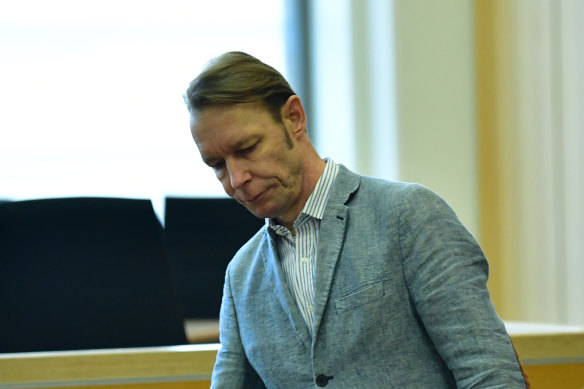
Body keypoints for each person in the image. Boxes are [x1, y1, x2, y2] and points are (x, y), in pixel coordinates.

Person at [184, 51, 529, 388]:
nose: (236, 177)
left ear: (294, 117)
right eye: (217, 165)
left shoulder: (408, 215)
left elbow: (490, 374)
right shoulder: (241, 275)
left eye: (247, 148)